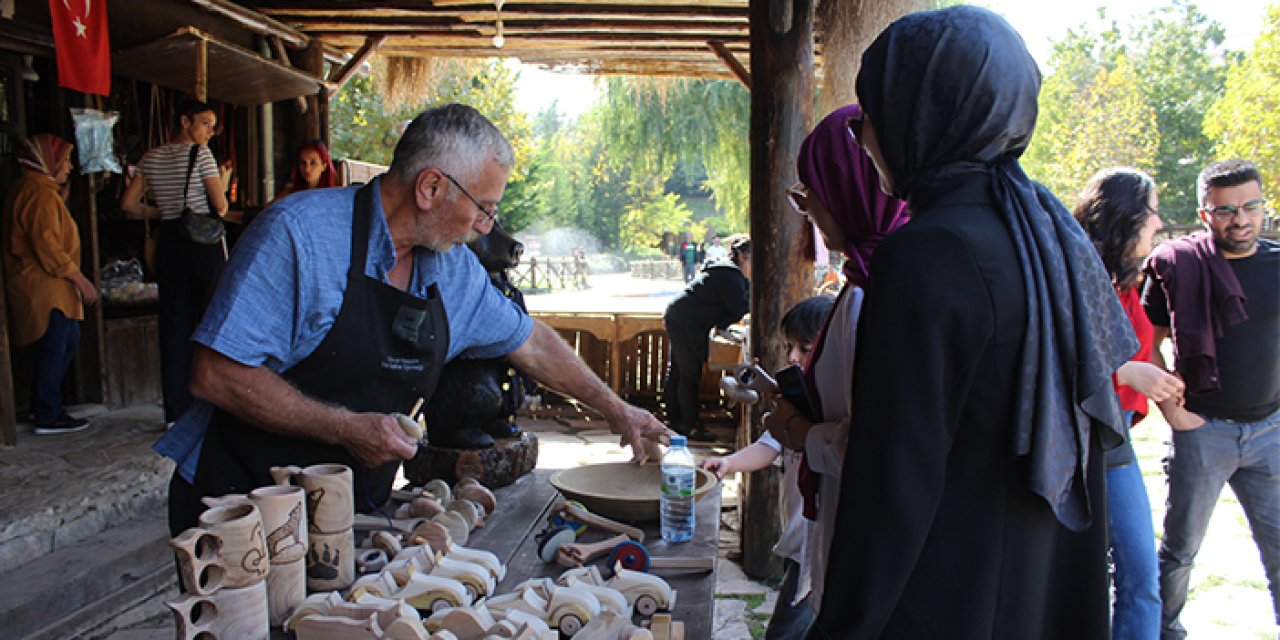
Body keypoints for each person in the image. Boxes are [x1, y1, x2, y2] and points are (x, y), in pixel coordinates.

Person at [155, 103, 668, 536]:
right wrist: (345, 427)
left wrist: (615, 409)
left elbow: (529, 341)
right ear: (430, 188)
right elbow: (215, 373)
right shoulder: (299, 237)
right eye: (484, 208)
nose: (487, 226)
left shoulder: (452, 268)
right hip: (240, 503)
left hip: (348, 514)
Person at [810, 7, 1138, 638]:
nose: (864, 138)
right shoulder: (1047, 231)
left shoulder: (929, 252)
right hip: (1038, 578)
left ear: (921, 111)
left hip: (952, 591)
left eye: (868, 118)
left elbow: (894, 480)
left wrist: (841, 627)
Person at [757, 104, 908, 633]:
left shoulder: (885, 294)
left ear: (852, 186)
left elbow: (886, 446)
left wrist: (798, 431)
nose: (809, 210)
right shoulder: (862, 282)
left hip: (874, 543)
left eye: (809, 192)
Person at [1142, 158, 1279, 639]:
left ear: (1264, 207)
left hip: (1270, 434)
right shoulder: (1176, 266)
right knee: (1180, 550)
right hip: (1203, 432)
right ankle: (1162, 633)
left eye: (1249, 207)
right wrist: (1174, 412)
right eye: (1225, 211)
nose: (1239, 219)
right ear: (1205, 214)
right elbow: (1145, 343)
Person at [1074, 167, 1183, 640]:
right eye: (1153, 212)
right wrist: (1123, 373)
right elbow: (1053, 354)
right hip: (1072, 446)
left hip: (1115, 442)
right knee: (1078, 583)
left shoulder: (1129, 280)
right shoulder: (1072, 274)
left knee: (1142, 578)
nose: (1158, 224)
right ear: (1126, 216)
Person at [700, 294, 835, 640]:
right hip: (799, 539)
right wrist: (728, 463)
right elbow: (768, 446)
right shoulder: (795, 398)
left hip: (818, 547)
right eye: (790, 346)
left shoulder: (837, 407)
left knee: (784, 632)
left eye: (804, 349)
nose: (792, 357)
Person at [120, 99, 229, 425]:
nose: (209, 132)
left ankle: (175, 410)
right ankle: (211, 403)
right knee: (209, 321)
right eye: (205, 123)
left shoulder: (150, 158)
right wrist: (223, 178)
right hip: (201, 243)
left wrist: (163, 214)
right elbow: (220, 206)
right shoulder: (202, 155)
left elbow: (128, 204)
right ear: (185, 121)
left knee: (173, 326)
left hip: (170, 241)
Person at [2, 134, 97, 434]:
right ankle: (47, 413)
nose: (69, 167)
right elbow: (48, 246)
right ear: (46, 161)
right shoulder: (38, 194)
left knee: (61, 343)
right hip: (47, 287)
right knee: (56, 345)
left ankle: (41, 405)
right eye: (65, 161)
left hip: (43, 285)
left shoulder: (36, 191)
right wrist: (81, 281)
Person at [662, 234, 751, 441]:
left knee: (678, 372)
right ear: (743, 257)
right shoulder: (730, 274)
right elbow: (741, 307)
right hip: (686, 321)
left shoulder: (725, 271)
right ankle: (690, 426)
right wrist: (723, 324)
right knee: (688, 374)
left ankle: (676, 422)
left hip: (680, 315)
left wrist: (721, 324)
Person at [269, 139, 337, 205]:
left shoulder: (332, 196)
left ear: (324, 166)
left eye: (313, 163)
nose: (307, 168)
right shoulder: (290, 193)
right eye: (303, 163)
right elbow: (266, 210)